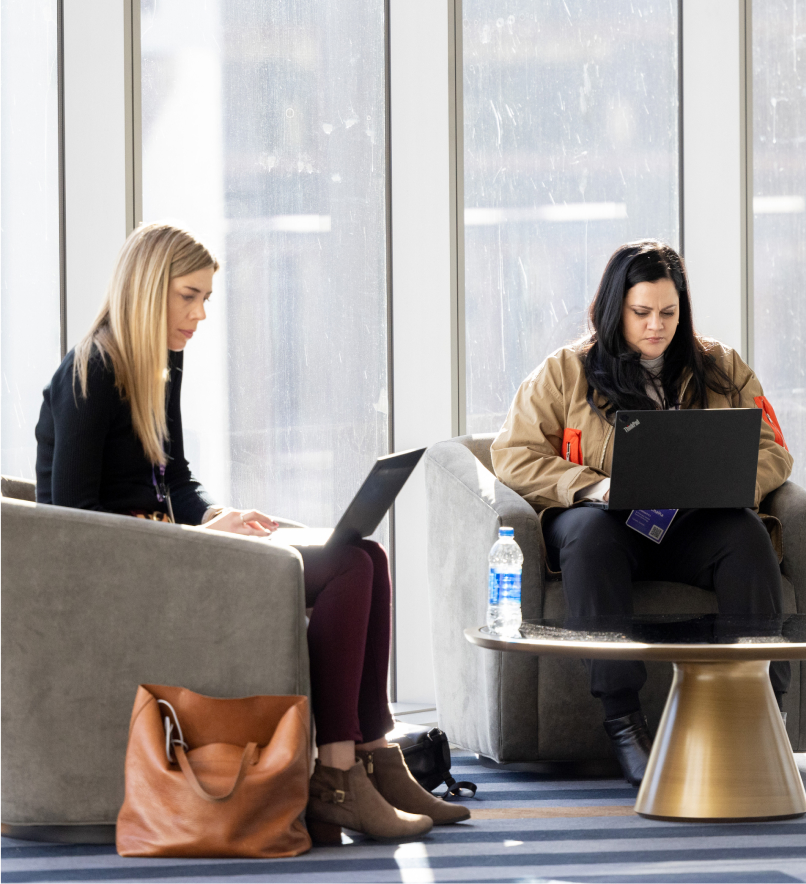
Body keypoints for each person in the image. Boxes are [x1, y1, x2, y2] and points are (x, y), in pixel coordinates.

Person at [35, 222, 469, 841]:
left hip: (174, 552)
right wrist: (190, 539)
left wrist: (214, 517)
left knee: (367, 554)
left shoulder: (159, 363)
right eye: (190, 295)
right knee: (347, 566)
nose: (201, 314)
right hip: (134, 576)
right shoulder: (90, 373)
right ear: (149, 289)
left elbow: (175, 480)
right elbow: (74, 525)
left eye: (206, 298)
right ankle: (338, 778)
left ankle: (373, 752)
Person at [491, 240, 793, 786]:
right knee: (589, 537)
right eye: (642, 313)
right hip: (604, 522)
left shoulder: (722, 368)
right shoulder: (564, 371)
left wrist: (727, 486)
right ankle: (625, 724)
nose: (656, 326)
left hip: (692, 524)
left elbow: (773, 450)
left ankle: (760, 708)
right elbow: (512, 454)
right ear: (615, 309)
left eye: (669, 313)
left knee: (745, 534)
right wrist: (588, 487)